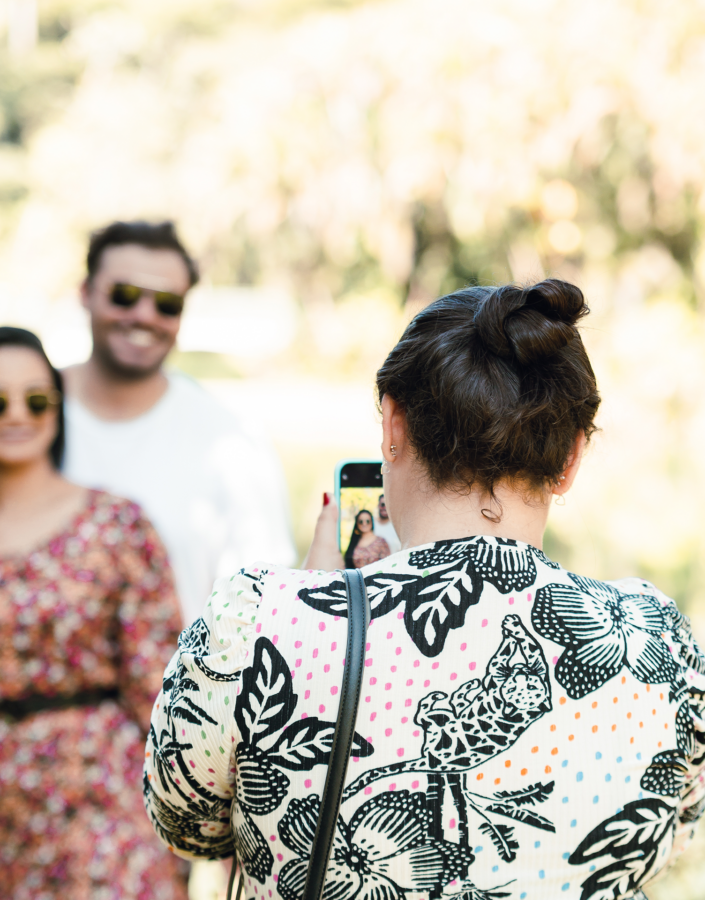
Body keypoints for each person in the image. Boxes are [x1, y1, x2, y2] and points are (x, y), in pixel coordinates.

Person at [144, 280, 705, 900]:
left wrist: (310, 606)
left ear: (393, 423)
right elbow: (667, 834)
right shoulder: (655, 637)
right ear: (571, 458)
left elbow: (185, 826)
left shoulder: (258, 622)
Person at [0, 327, 188, 899]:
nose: (18, 415)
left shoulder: (115, 525)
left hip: (95, 802)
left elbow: (160, 690)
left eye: (37, 399)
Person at [62, 219, 296, 625]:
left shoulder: (231, 443)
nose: (144, 315)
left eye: (167, 304)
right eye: (125, 295)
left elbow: (264, 605)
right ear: (84, 294)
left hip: (176, 687)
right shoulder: (23, 418)